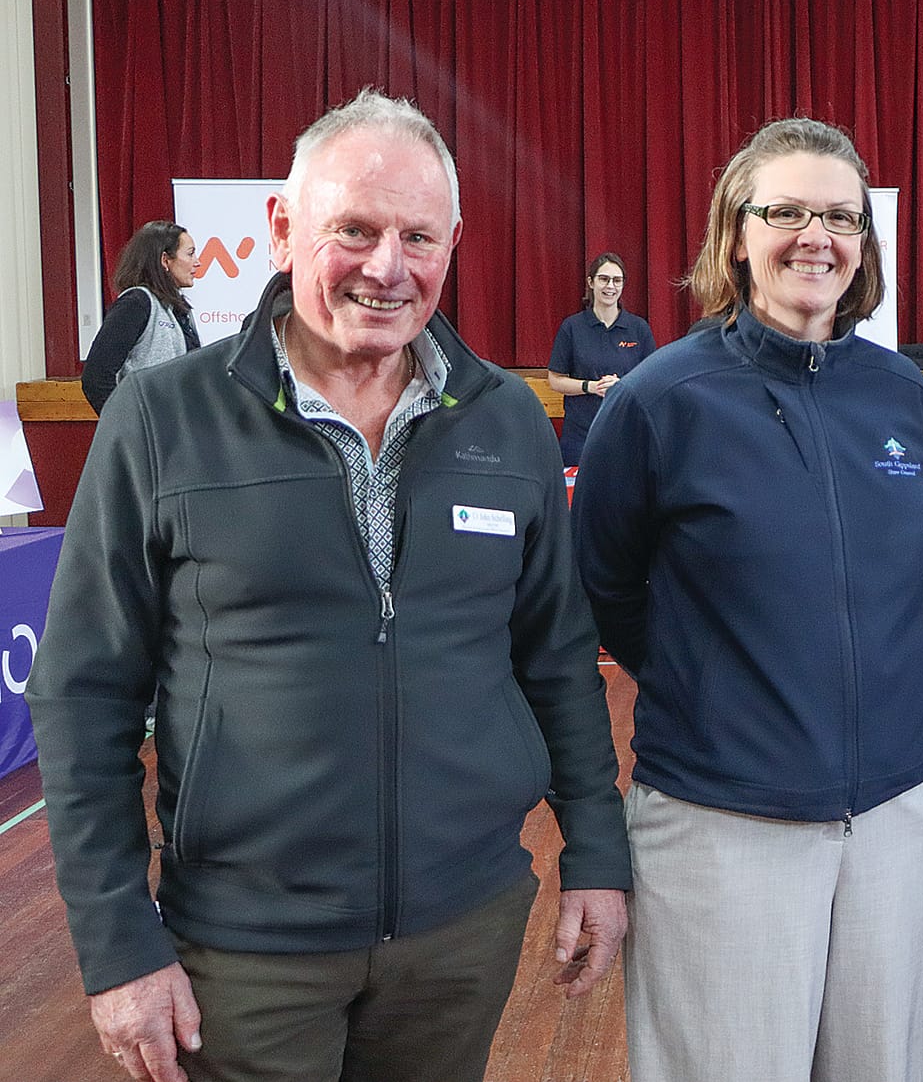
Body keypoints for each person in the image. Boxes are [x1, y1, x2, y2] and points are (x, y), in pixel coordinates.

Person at [28, 90, 630, 1082]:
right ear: (281, 228)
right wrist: (117, 945)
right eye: (352, 229)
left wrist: (596, 854)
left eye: (417, 236)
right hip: (245, 951)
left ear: (453, 242)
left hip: (460, 933)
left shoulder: (507, 423)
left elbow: (557, 661)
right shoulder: (161, 418)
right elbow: (84, 692)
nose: (387, 267)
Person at [572, 117, 923, 1081]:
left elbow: (912, 573)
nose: (813, 236)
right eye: (784, 210)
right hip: (723, 820)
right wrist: (723, 693)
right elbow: (607, 589)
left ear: (864, 242)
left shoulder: (903, 396)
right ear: (735, 234)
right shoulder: (660, 401)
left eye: (838, 214)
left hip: (903, 811)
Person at [546, 250, 655, 466]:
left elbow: (651, 381)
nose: (610, 286)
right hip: (580, 439)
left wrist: (621, 386)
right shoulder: (572, 327)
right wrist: (591, 387)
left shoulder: (639, 329)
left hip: (627, 436)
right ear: (591, 282)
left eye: (617, 280)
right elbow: (555, 379)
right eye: (604, 279)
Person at [81, 220, 202, 413]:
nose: (198, 262)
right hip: (147, 436)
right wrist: (126, 426)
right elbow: (96, 377)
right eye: (190, 254)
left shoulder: (180, 309)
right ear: (165, 260)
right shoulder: (136, 303)